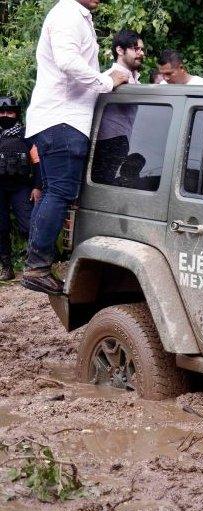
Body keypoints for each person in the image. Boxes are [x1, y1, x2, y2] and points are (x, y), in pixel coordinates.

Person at [22, 0, 129, 294]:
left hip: (60, 120)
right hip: (63, 119)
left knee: (53, 192)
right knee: (59, 192)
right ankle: (36, 267)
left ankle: (36, 264)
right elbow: (68, 62)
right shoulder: (67, 13)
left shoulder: (78, 16)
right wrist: (106, 81)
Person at [91, 29, 144, 183]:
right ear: (119, 50)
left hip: (121, 141)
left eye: (142, 49)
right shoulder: (108, 78)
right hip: (108, 142)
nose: (141, 53)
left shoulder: (135, 79)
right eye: (135, 49)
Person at [0, 97, 41, 281]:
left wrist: (37, 186)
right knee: (1, 228)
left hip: (21, 187)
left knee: (28, 225)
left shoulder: (27, 135)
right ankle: (6, 267)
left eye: (9, 112)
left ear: (16, 113)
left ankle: (34, 264)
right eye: (2, 112)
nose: (5, 115)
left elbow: (38, 162)